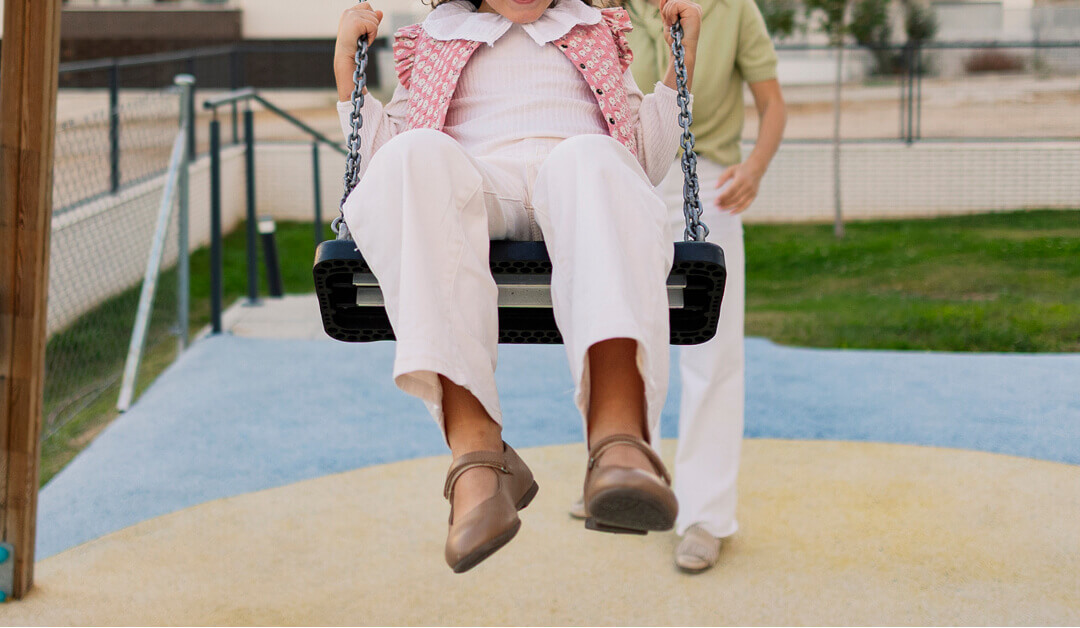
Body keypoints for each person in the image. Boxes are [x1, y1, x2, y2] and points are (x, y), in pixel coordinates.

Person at [333, 0, 702, 573]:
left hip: (576, 178)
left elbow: (641, 158)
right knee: (414, 155)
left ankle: (618, 438)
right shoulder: (433, 36)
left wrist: (681, 68)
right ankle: (477, 454)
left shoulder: (593, 27)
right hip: (474, 183)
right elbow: (388, 165)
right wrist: (346, 72)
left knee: (596, 159)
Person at [569, 0, 787, 573]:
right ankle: (625, 476)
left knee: (711, 354)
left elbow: (773, 106)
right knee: (617, 330)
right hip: (627, 175)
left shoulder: (734, 9)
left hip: (704, 184)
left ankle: (706, 516)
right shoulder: (607, 9)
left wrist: (754, 169)